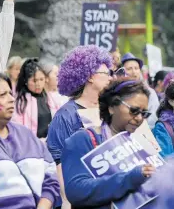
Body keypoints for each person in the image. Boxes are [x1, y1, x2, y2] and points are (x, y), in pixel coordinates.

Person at [0, 72, 60, 209]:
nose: (11, 99)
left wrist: (44, 205)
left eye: (10, 93)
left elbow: (51, 174)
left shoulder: (25, 134)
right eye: (2, 95)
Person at [61, 78, 155, 209]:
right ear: (112, 107)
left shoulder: (142, 141)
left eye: (144, 113)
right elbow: (76, 192)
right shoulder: (82, 140)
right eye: (134, 110)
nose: (139, 118)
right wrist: (130, 178)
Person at [46, 45, 112, 209]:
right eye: (105, 74)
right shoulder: (65, 116)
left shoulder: (111, 110)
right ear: (90, 76)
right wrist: (67, 202)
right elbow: (59, 162)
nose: (110, 78)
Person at [12, 58, 53, 139]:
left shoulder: (51, 99)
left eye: (41, 79)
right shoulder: (19, 102)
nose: (38, 84)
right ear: (26, 81)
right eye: (34, 80)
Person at [121, 53, 160, 128]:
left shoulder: (150, 92)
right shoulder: (117, 91)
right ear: (122, 71)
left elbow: (153, 118)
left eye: (136, 68)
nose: (134, 72)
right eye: (129, 69)